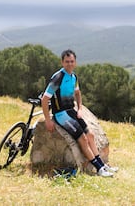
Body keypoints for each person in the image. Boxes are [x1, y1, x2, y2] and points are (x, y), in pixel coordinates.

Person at [41, 49, 118, 177]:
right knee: (82, 138)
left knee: (91, 135)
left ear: (75, 62)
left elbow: (77, 93)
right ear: (62, 62)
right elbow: (45, 99)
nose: (69, 64)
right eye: (67, 62)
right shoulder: (58, 77)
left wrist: (80, 108)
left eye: (72, 61)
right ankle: (99, 169)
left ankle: (103, 166)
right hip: (61, 114)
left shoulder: (73, 77)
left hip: (71, 111)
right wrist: (48, 121)